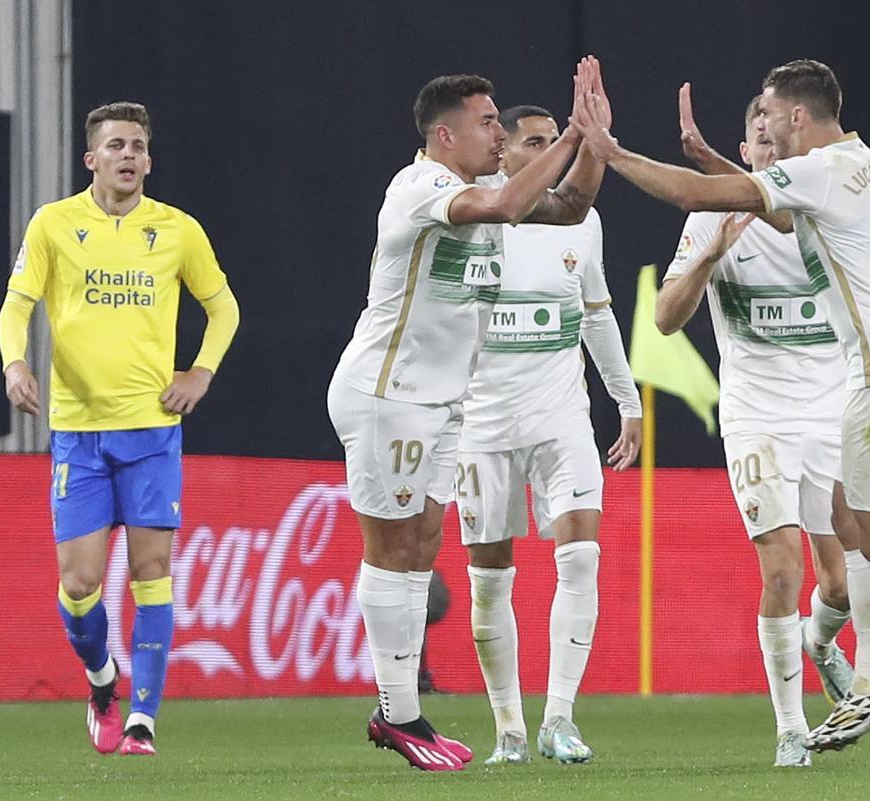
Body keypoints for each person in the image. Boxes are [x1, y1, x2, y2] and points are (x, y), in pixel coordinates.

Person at [571, 58, 870, 750]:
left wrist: (611, 154)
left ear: (797, 117)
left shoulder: (815, 172)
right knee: (867, 529)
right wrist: (714, 168)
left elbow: (690, 195)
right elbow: (753, 209)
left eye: (770, 113)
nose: (765, 125)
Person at [326, 59, 609, 771]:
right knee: (391, 547)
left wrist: (593, 143)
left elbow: (569, 209)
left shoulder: (481, 186)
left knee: (420, 541)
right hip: (391, 393)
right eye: (488, 122)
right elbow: (510, 207)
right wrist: (568, 136)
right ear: (445, 134)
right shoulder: (420, 188)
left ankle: (402, 711)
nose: (499, 132)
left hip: (438, 403)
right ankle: (398, 713)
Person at [0, 101, 240, 756]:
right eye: (115, 145)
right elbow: (16, 304)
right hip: (78, 431)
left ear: (149, 160)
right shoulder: (55, 224)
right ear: (91, 159)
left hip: (152, 430)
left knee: (152, 569)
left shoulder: (177, 229)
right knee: (78, 584)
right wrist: (15, 360)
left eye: (137, 146)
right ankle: (102, 679)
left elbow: (223, 308)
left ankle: (143, 718)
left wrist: (200, 373)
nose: (128, 155)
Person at [657, 91, 855, 767]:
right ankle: (791, 728)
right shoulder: (712, 216)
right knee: (780, 571)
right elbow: (663, 317)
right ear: (746, 153)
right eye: (760, 144)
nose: (772, 153)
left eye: (780, 143)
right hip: (757, 420)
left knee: (843, 585)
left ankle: (819, 641)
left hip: (830, 413)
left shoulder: (822, 210)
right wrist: (710, 253)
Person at [455, 104, 642, 767]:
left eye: (550, 142)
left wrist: (628, 399)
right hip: (481, 427)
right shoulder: (474, 215)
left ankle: (558, 717)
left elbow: (596, 316)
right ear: (502, 151)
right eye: (532, 142)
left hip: (562, 418)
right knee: (488, 582)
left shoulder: (579, 223)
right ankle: (507, 727)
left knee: (582, 556)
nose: (545, 153)